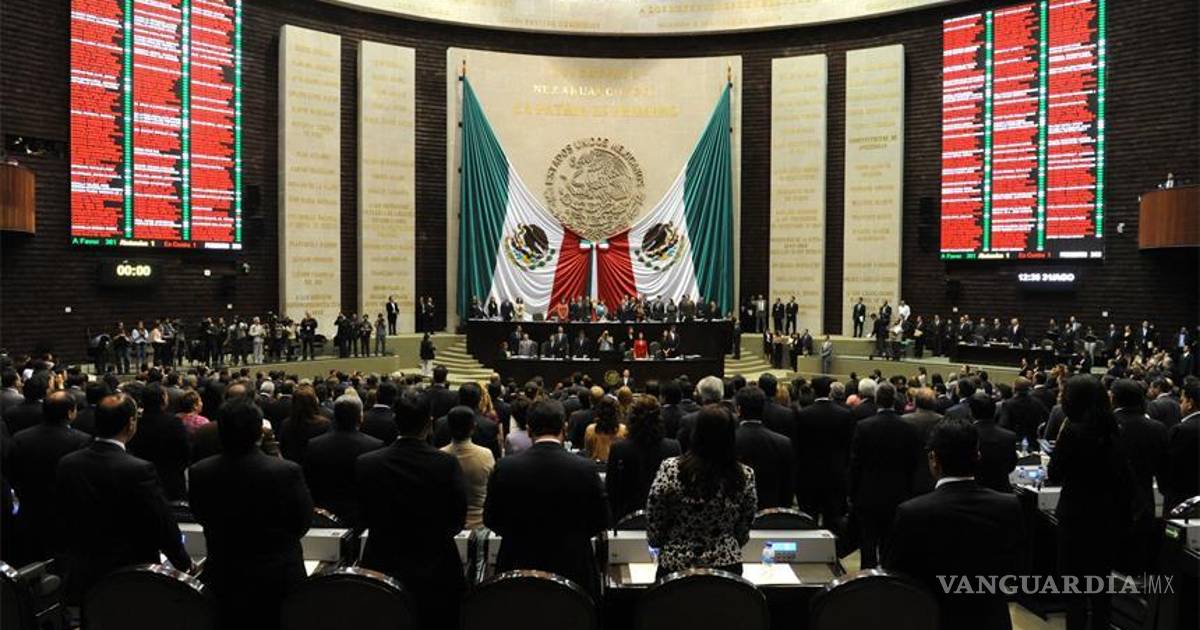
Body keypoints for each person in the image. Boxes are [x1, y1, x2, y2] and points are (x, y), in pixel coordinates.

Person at [885, 418, 1025, 630]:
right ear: (977, 455)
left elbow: (897, 577)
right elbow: (1016, 567)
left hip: (934, 618)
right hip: (990, 618)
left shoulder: (911, 513)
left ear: (933, 459)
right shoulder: (1008, 505)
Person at [56, 393, 192, 604]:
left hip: (83, 569)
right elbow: (160, 521)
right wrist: (183, 563)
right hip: (130, 573)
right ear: (130, 424)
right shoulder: (139, 469)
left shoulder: (67, 463)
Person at [189, 399, 312, 630]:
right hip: (278, 579)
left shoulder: (200, 472)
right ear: (259, 431)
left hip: (225, 576)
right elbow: (302, 523)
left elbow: (200, 515)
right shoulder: (286, 471)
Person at [357, 389, 467, 630]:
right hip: (437, 569)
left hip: (383, 565)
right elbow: (458, 519)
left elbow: (362, 515)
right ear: (429, 423)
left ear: (395, 420)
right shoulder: (447, 464)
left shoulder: (368, 463)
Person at [483, 399, 609, 596]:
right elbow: (602, 520)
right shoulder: (585, 468)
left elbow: (491, 518)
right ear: (564, 428)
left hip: (518, 566)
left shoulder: (506, 468)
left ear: (529, 430)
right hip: (574, 569)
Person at [1047, 375, 1138, 630]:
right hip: (1108, 518)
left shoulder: (1072, 431)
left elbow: (1054, 473)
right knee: (1101, 589)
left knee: (1074, 590)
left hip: (1075, 517)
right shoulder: (1114, 429)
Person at [647, 405, 757, 577]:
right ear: (731, 436)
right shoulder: (744, 475)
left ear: (696, 432)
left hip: (676, 564)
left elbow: (655, 516)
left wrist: (661, 542)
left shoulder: (670, 468)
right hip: (726, 566)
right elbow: (745, 524)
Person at [5, 391, 91, 564]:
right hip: (66, 510)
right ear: (70, 413)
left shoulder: (20, 437)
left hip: (30, 505)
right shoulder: (82, 440)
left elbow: (11, 473)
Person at [849, 383, 922, 567]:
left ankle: (867, 577)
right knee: (889, 544)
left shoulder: (863, 427)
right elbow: (914, 464)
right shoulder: (909, 427)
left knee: (867, 543)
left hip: (868, 493)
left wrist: (852, 492)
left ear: (876, 400)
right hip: (899, 494)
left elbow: (856, 464)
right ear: (894, 400)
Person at [1110, 378, 1168, 573]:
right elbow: (1163, 471)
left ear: (1114, 398)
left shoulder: (1102, 426)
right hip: (1143, 503)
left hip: (1107, 503)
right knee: (1136, 562)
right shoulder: (1157, 428)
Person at [303, 395, 383, 527]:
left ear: (335, 417)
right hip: (362, 515)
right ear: (360, 417)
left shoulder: (314, 445)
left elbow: (309, 482)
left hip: (324, 516)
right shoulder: (375, 446)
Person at [606, 396, 681, 521]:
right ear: (659, 419)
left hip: (626, 518)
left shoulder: (619, 448)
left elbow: (611, 489)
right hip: (664, 518)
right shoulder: (673, 447)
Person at [733, 386, 796, 509]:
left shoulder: (728, 442)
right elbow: (788, 485)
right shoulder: (783, 443)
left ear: (739, 410)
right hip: (772, 508)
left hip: (738, 509)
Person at [127, 383, 190, 501]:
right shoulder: (174, 422)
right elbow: (185, 450)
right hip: (170, 478)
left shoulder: (136, 424)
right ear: (163, 399)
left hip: (142, 478)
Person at [441, 405, 495, 530]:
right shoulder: (486, 455)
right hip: (480, 523)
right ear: (473, 428)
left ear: (449, 428)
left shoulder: (440, 456)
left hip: (450, 523)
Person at [432, 383, 501, 460]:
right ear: (479, 401)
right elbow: (496, 456)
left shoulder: (440, 423)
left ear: (458, 398)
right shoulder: (489, 427)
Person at [1163, 379, 1199, 514]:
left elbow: (1169, 467)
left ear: (1190, 403)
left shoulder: (1181, 430)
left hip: (1181, 499)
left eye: (1182, 401)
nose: (1180, 404)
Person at [970, 393, 1017, 493]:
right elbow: (1011, 466)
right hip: (1002, 490)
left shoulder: (965, 435)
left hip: (974, 491)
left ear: (971, 412)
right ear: (995, 411)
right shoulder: (1009, 437)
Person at [279, 384, 330, 465]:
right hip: (317, 465)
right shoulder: (324, 424)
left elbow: (283, 448)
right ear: (314, 402)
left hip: (293, 464)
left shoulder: (286, 424)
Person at [584, 396, 628, 463]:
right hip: (616, 466)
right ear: (616, 412)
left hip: (595, 465)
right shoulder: (624, 430)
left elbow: (588, 453)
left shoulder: (590, 429)